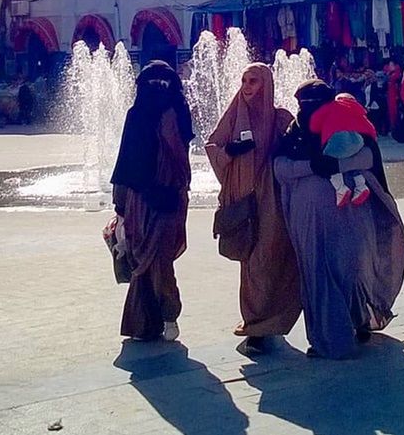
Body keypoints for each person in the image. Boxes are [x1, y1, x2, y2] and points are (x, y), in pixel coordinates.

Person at [274, 80, 404, 359]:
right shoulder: (295, 132)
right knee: (319, 273)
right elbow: (279, 168)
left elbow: (368, 156)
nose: (308, 108)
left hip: (348, 214)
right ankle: (330, 338)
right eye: (304, 103)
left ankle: (355, 322)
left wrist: (336, 165)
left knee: (349, 268)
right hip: (309, 216)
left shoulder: (345, 122)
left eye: (314, 102)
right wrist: (311, 166)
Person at [205, 64, 301, 355]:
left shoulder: (281, 118)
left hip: (273, 201)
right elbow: (212, 145)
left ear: (266, 84)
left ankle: (270, 321)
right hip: (244, 200)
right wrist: (231, 152)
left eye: (254, 81)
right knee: (251, 262)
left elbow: (298, 149)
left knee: (270, 258)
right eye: (244, 80)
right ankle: (255, 325)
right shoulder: (234, 114)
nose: (247, 86)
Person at [110, 61, 194, 342]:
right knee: (139, 259)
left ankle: (170, 314)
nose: (158, 88)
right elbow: (126, 160)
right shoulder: (135, 115)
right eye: (152, 83)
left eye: (165, 83)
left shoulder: (179, 113)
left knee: (159, 260)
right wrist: (119, 206)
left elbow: (182, 158)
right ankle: (145, 322)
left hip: (169, 196)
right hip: (138, 199)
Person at [309, 92, 377, 207]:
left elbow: (314, 123)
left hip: (338, 139)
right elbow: (370, 127)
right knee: (351, 161)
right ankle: (361, 186)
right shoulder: (357, 110)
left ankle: (341, 189)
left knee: (329, 161)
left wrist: (317, 130)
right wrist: (373, 139)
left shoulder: (332, 105)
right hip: (357, 141)